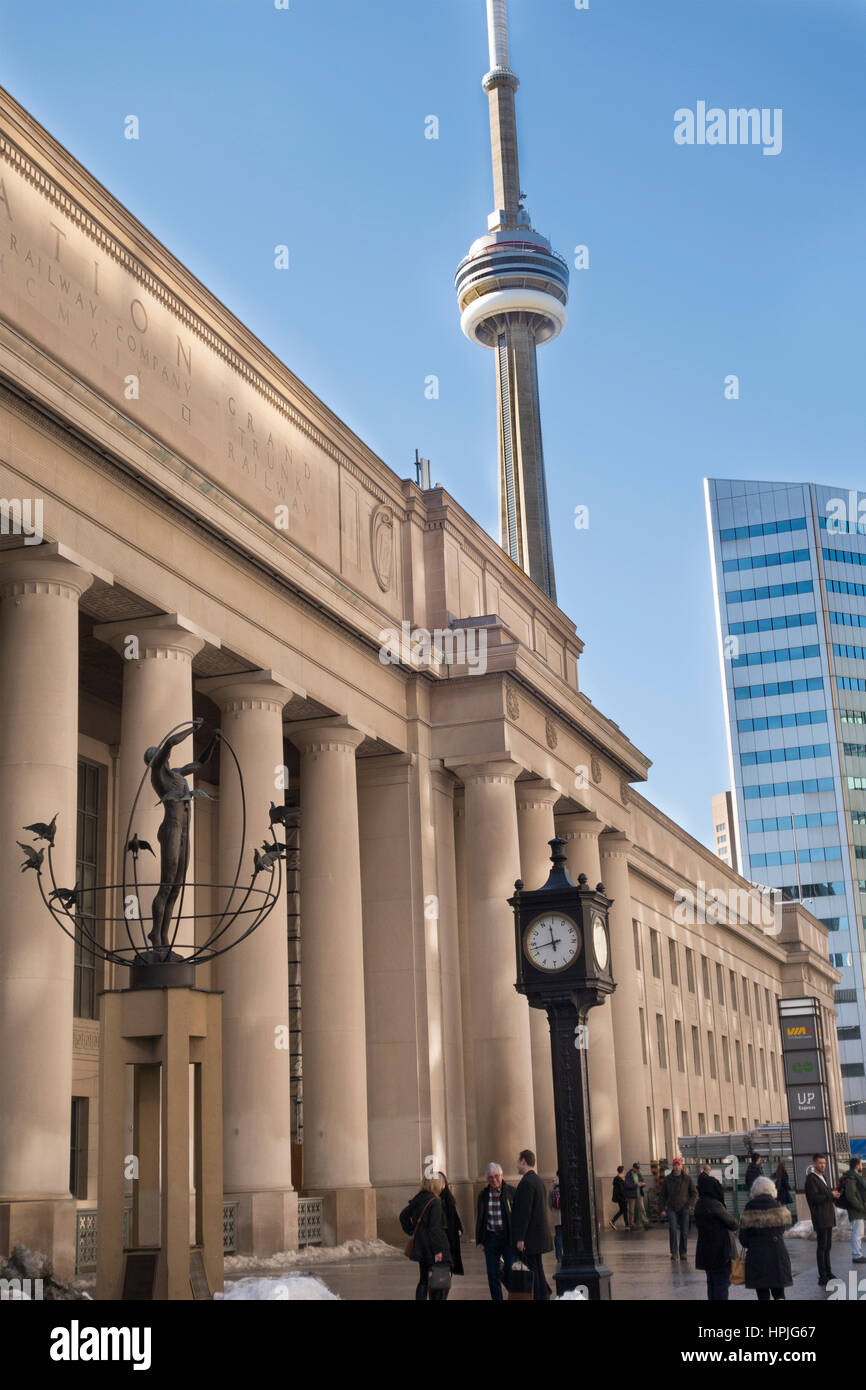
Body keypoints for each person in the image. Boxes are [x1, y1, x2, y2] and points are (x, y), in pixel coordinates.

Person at [738, 1175, 793, 1301]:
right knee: (779, 1294)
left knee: (762, 1295)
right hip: (777, 1256)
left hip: (757, 1258)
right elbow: (781, 1230)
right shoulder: (778, 1206)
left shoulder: (749, 1207)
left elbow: (743, 1238)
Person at [399, 1174, 452, 1301]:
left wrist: (412, 1231)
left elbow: (403, 1216)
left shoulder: (418, 1198)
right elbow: (434, 1229)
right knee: (438, 1281)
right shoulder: (435, 1202)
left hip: (421, 1247)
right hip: (433, 1248)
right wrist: (438, 1250)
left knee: (423, 1279)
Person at [511, 1149, 553, 1300]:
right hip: (538, 1235)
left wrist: (520, 1238)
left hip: (530, 1237)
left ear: (523, 1161)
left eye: (518, 1161)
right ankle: (543, 1293)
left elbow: (524, 1213)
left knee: (533, 1270)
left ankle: (540, 1295)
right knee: (537, 1269)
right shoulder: (537, 1180)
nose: (517, 1165)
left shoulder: (526, 1183)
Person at [694, 1169, 738, 1301]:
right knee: (721, 1283)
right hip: (720, 1251)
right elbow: (733, 1223)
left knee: (712, 1283)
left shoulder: (699, 1204)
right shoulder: (714, 1204)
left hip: (705, 1250)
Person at [475, 1162, 516, 1301]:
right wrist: (482, 1239)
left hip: (507, 1238)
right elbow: (480, 1218)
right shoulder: (483, 1195)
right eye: (491, 1177)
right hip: (491, 1238)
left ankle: (516, 1296)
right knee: (492, 1274)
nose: (494, 1180)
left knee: (510, 1271)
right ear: (487, 1178)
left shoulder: (511, 1192)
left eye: (496, 1176)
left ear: (501, 1176)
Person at [804, 1153, 840, 1287]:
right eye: (820, 1163)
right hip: (820, 1217)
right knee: (822, 1247)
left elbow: (825, 1196)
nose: (823, 1165)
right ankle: (822, 1276)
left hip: (828, 1215)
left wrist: (834, 1195)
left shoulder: (823, 1177)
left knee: (828, 1247)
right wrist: (830, 1195)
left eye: (824, 1163)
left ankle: (829, 1272)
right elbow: (813, 1198)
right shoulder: (811, 1179)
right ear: (814, 1164)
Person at [660, 1157, 696, 1262]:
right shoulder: (667, 1179)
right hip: (671, 1208)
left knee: (684, 1231)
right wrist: (662, 1209)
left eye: (678, 1164)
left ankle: (683, 1252)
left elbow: (694, 1193)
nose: (676, 1166)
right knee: (672, 1229)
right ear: (673, 1166)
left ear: (681, 1166)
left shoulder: (687, 1178)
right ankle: (674, 1252)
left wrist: (690, 1203)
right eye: (675, 1164)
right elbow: (662, 1195)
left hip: (684, 1208)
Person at [438, 1172, 465, 1280]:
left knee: (449, 1269)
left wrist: (459, 1228)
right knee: (441, 1271)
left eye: (443, 1183)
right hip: (442, 1238)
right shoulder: (434, 1200)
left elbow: (454, 1215)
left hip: (452, 1237)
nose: (442, 1185)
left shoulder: (448, 1198)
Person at [841, 1155, 866, 1264]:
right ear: (857, 1165)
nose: (862, 1166)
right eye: (861, 1164)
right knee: (857, 1232)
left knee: (859, 1232)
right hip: (856, 1210)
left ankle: (858, 1254)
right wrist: (860, 1207)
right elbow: (850, 1195)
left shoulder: (854, 1176)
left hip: (858, 1209)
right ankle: (857, 1255)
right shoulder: (851, 1177)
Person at [624, 1161, 649, 1229]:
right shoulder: (628, 1175)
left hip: (639, 1194)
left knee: (642, 1209)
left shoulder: (639, 1174)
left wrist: (643, 1184)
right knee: (631, 1210)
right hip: (631, 1195)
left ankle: (646, 1222)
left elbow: (642, 1181)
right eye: (636, 1169)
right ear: (633, 1168)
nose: (638, 1170)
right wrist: (636, 1185)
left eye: (638, 1169)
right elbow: (627, 1185)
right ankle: (631, 1224)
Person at [548, 1172, 563, 1260]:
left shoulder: (552, 1184)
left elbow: (549, 1201)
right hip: (566, 1214)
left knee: (558, 1234)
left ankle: (558, 1256)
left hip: (556, 1214)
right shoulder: (566, 1181)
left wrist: (553, 1211)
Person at [610, 1166, 630, 1231]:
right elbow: (621, 1190)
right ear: (622, 1171)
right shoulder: (619, 1179)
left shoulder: (617, 1179)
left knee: (622, 1210)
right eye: (624, 1170)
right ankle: (626, 1225)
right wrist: (625, 1197)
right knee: (624, 1211)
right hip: (622, 1198)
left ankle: (613, 1221)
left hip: (619, 1198)